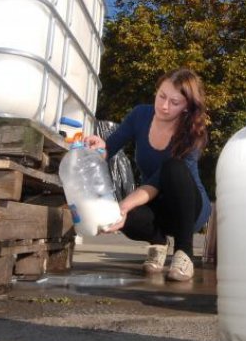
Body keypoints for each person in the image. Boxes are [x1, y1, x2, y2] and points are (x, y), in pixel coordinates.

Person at [84, 68, 212, 282]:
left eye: (174, 102)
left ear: (186, 107)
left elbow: (157, 181)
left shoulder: (192, 133)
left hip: (189, 209)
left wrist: (125, 205)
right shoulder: (140, 115)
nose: (164, 106)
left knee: (172, 168)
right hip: (156, 204)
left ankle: (184, 253)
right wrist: (100, 147)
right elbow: (112, 145)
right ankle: (159, 243)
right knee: (126, 217)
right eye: (162, 96)